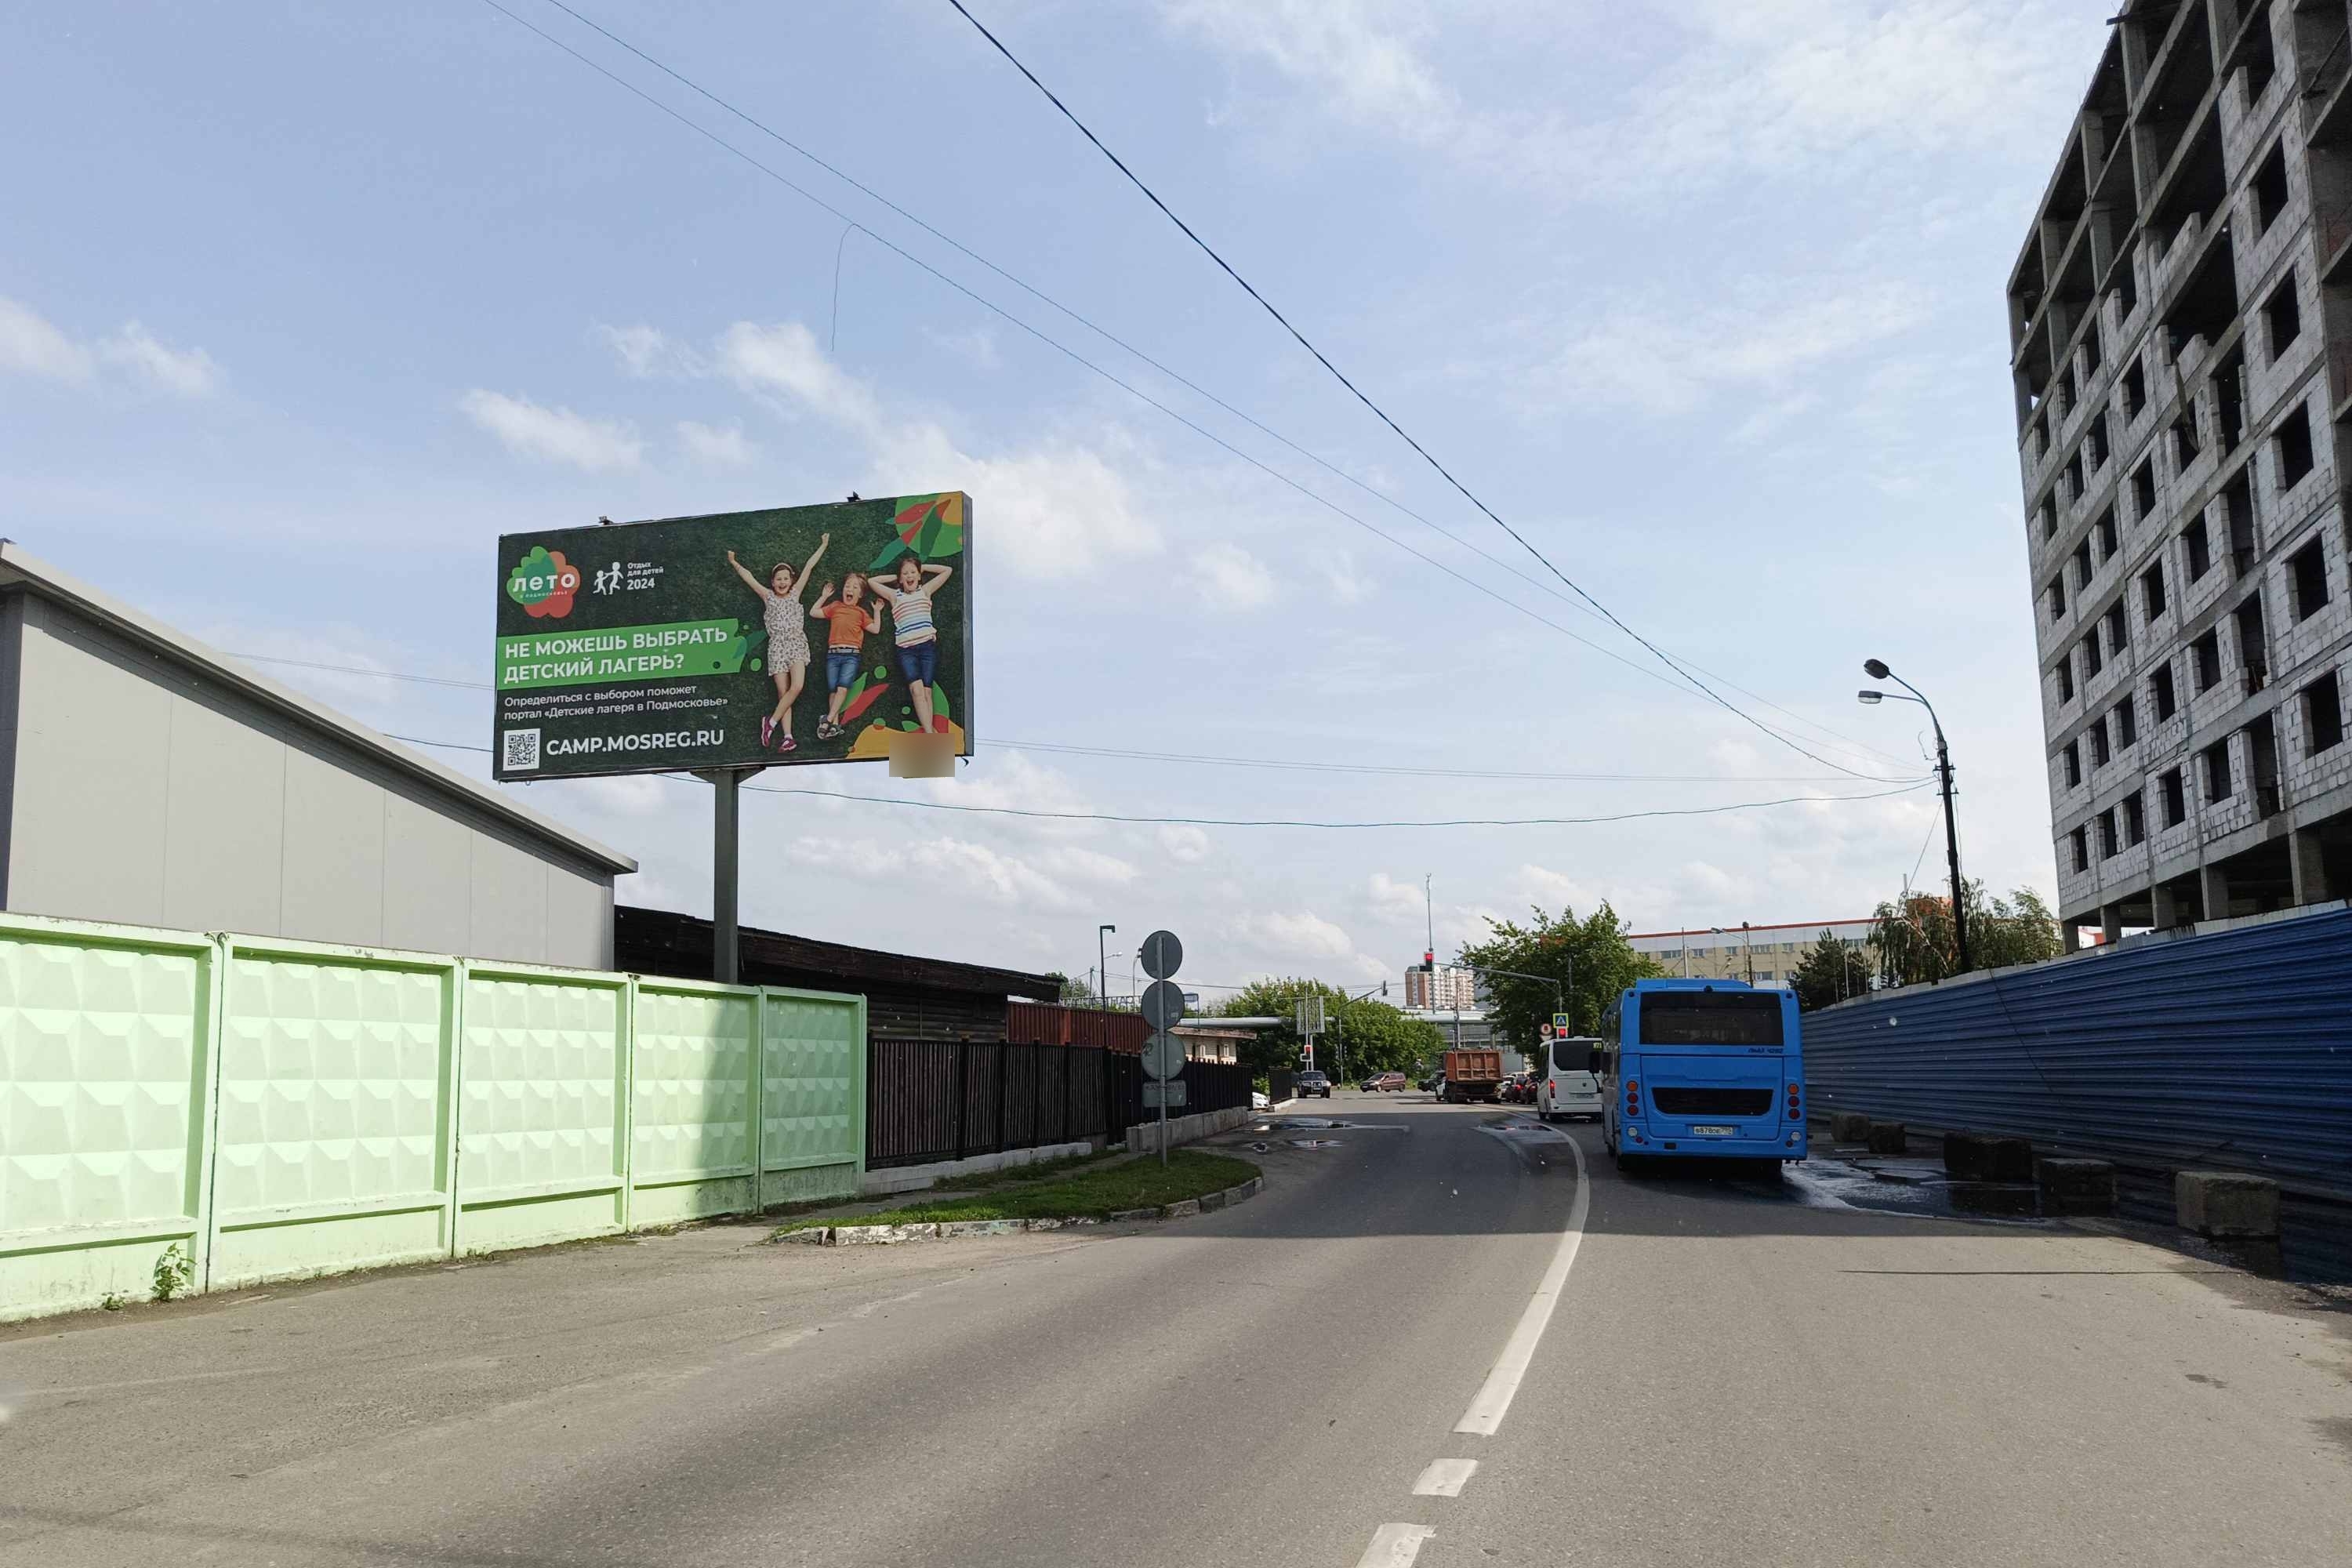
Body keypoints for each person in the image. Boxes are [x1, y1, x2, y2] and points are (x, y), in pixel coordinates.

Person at [726, 533, 827, 752]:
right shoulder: (768, 596)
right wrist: (734, 562)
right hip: (777, 647)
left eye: (786, 578)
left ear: (791, 581)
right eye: (778, 579)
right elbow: (749, 578)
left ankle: (769, 723)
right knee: (784, 693)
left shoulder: (796, 594)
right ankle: (788, 736)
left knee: (797, 686)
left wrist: (823, 545)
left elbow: (809, 566)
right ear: (773, 582)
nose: (782, 582)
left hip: (797, 643)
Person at [873, 554, 952, 735]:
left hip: (927, 647)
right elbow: (872, 582)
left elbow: (948, 570)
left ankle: (928, 735)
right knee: (917, 691)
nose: (909, 576)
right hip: (905, 649)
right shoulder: (894, 596)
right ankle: (930, 734)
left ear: (919, 576)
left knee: (926, 692)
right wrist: (896, 576)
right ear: (901, 578)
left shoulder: (926, 591)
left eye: (913, 573)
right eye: (905, 573)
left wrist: (923, 567)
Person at [809, 570, 881, 740]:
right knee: (833, 691)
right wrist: (824, 596)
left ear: (861, 594)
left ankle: (826, 720)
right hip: (833, 655)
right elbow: (813, 612)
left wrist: (877, 611)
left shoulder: (861, 613)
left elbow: (876, 630)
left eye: (855, 587)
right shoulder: (835, 606)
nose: (850, 589)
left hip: (851, 656)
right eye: (848, 586)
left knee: (843, 688)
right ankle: (834, 725)